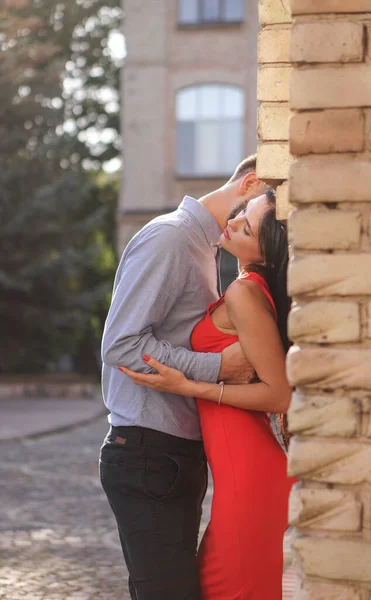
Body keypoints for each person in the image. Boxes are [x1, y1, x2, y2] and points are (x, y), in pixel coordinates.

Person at [100, 155, 267, 600]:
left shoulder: (206, 247)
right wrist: (218, 369)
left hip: (172, 453)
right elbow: (120, 345)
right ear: (250, 185)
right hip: (147, 450)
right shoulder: (171, 238)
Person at [120, 188, 297, 600]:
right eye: (239, 213)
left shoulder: (244, 292)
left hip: (249, 475)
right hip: (244, 470)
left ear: (267, 253)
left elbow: (279, 395)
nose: (232, 222)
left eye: (246, 226)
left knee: (229, 588)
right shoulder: (245, 287)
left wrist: (190, 386)